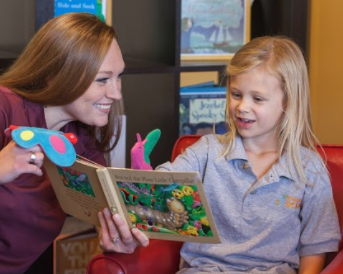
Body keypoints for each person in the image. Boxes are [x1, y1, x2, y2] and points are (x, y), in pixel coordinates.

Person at [108, 36, 341, 274]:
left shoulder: (309, 169)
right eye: (236, 94)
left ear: (288, 102)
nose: (242, 107)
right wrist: (146, 178)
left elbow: (315, 246)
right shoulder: (206, 150)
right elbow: (167, 181)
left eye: (257, 99)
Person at [0, 12, 147, 274]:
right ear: (56, 75)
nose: (116, 93)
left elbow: (103, 217)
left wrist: (115, 237)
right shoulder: (4, 106)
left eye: (119, 76)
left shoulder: (84, 139)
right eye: (102, 79)